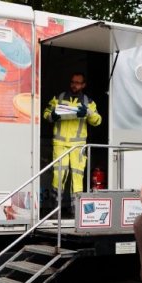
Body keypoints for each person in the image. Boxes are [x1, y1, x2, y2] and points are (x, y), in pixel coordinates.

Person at [42, 72, 102, 212]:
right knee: (58, 176)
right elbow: (45, 113)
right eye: (73, 82)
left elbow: (98, 121)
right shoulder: (59, 98)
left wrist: (88, 113)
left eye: (78, 83)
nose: (74, 85)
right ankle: (55, 210)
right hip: (60, 144)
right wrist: (52, 116)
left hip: (78, 146)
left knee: (77, 177)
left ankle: (76, 212)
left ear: (83, 85)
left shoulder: (88, 102)